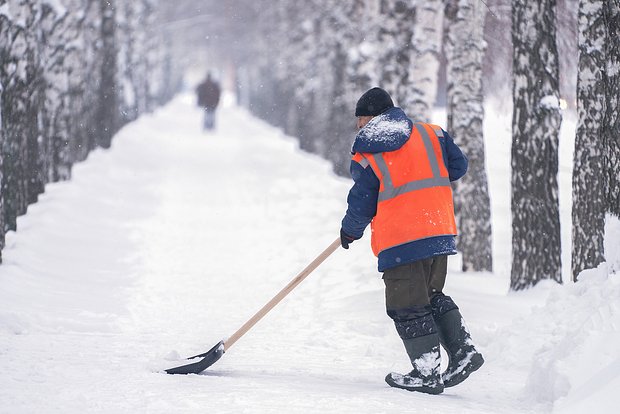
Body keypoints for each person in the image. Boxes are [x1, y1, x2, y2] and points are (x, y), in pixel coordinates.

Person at [340, 87, 484, 395]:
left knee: (407, 304)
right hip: (438, 229)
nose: (358, 126)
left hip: (402, 239)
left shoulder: (369, 149)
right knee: (430, 295)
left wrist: (350, 230)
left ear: (371, 118)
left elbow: (362, 200)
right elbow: (458, 167)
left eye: (361, 119)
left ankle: (426, 371)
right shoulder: (433, 135)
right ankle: (463, 352)